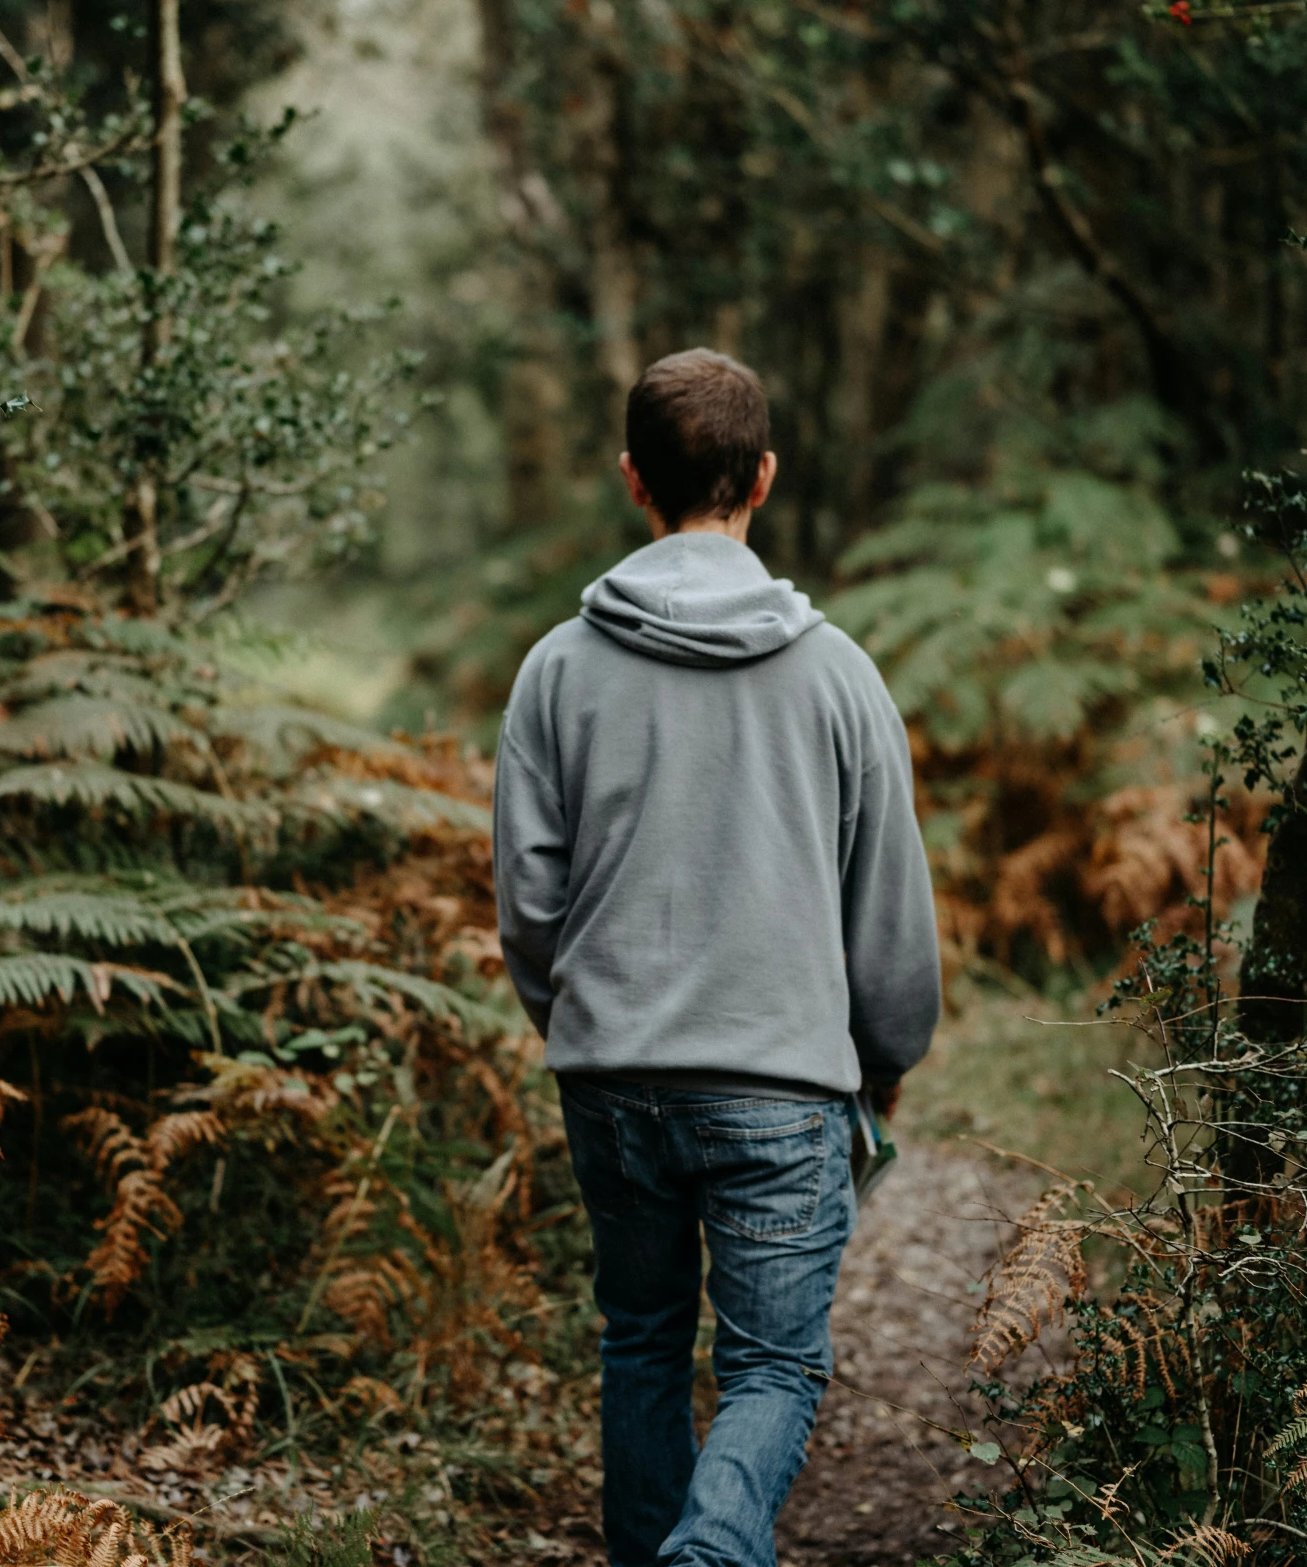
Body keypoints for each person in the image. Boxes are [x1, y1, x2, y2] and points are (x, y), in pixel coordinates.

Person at [491, 348, 943, 1567]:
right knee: (775, 1365)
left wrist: (583, 1020)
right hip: (782, 1086)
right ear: (766, 477)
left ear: (633, 478)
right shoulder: (841, 675)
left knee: (640, 1340)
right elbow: (889, 911)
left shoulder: (556, 671)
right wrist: (884, 1056)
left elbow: (528, 906)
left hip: (609, 1075)